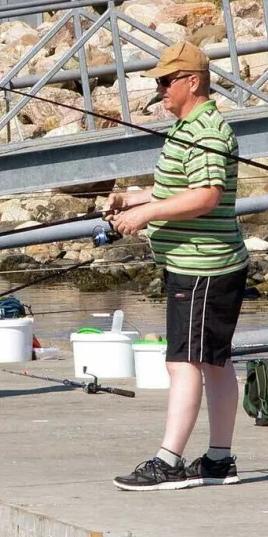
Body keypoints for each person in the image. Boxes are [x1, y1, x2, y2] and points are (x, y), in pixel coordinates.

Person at [106, 42, 249, 491]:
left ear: (193, 82)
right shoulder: (190, 127)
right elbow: (180, 188)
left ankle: (169, 461)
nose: (160, 89)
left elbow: (207, 194)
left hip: (203, 266)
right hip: (203, 263)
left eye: (167, 81)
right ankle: (218, 461)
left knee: (184, 363)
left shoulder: (206, 132)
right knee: (214, 363)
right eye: (158, 82)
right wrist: (135, 198)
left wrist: (145, 215)